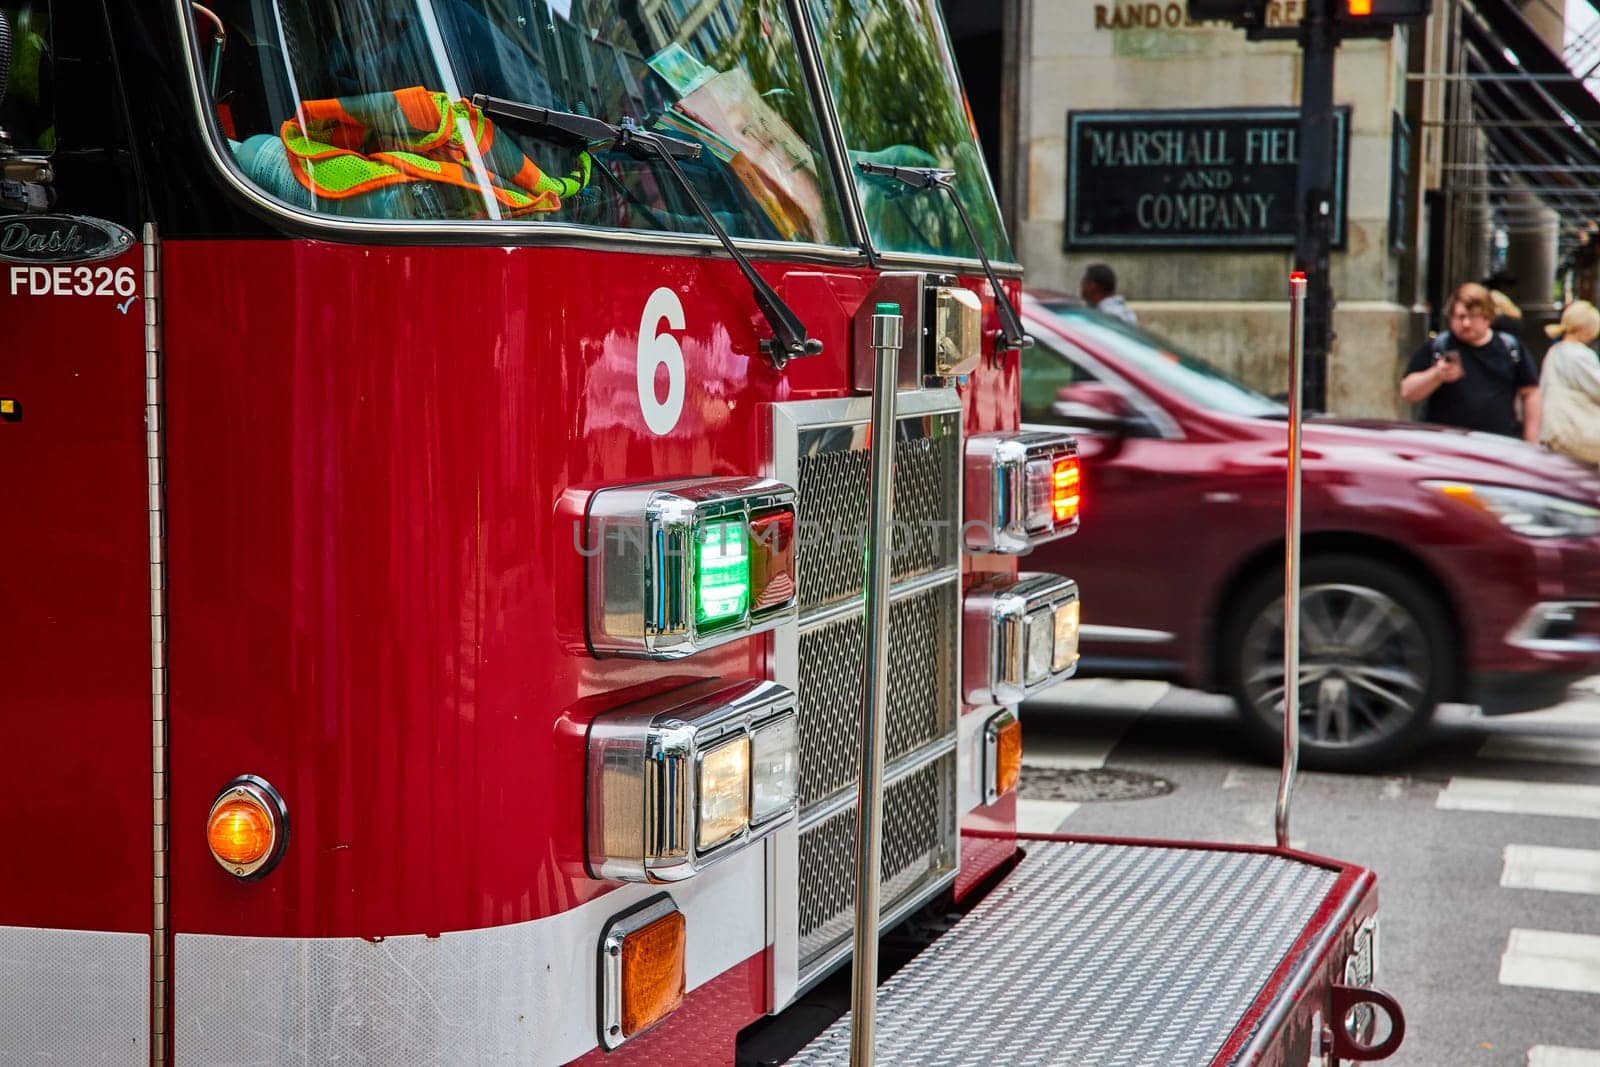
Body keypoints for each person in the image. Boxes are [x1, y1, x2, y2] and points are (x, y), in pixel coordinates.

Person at [1400, 282, 1540, 443]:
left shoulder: (1510, 348)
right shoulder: (1439, 346)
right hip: (1447, 445)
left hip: (1497, 445)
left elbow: (1530, 393)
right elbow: (1407, 392)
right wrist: (1436, 375)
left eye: (1473, 316)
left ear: (1487, 317)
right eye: (1460, 317)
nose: (1466, 324)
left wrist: (1531, 442)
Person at [1538, 300, 1600, 466]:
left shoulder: (1554, 352)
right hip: (1577, 432)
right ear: (1586, 328)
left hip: (1553, 431)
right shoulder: (1578, 354)